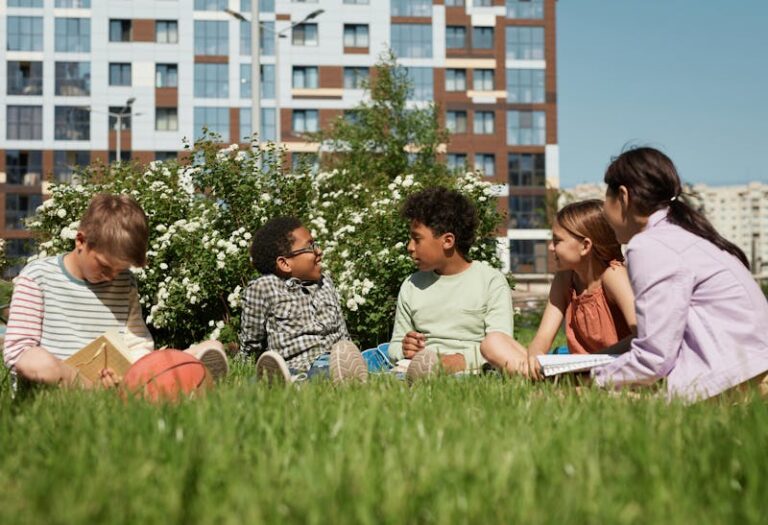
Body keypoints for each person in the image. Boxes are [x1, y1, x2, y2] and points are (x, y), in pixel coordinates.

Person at [592, 147, 768, 402]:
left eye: (604, 199)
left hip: (740, 383)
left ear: (623, 196)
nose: (604, 213)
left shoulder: (650, 246)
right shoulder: (684, 236)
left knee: (584, 397)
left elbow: (653, 360)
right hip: (750, 373)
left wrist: (591, 378)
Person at [3, 193, 228, 389]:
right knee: (42, 364)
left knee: (210, 346)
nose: (111, 276)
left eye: (120, 269)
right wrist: (74, 377)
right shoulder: (38, 277)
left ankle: (190, 372)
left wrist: (133, 371)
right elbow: (17, 351)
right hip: (55, 381)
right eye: (104, 266)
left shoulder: (124, 282)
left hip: (113, 381)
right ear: (81, 241)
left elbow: (137, 343)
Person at [481, 200, 637, 379]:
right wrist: (534, 358)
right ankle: (550, 381)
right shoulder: (565, 278)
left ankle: (557, 384)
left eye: (557, 241)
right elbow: (543, 337)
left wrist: (595, 361)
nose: (550, 247)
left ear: (585, 246)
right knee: (492, 342)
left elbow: (643, 336)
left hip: (615, 365)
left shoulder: (614, 275)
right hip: (578, 367)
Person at [388, 187, 515, 382]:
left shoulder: (490, 282)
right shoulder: (411, 285)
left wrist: (458, 362)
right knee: (379, 361)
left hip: (474, 370)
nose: (410, 247)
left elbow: (503, 346)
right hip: (420, 366)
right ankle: (348, 376)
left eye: (417, 239)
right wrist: (405, 348)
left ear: (448, 241)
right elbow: (395, 345)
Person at [239, 216, 368, 384]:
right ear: (285, 263)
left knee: (372, 360)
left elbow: (343, 336)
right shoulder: (265, 287)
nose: (319, 251)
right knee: (258, 381)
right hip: (295, 366)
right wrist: (245, 365)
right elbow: (251, 342)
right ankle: (275, 380)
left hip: (333, 361)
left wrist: (350, 353)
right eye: (310, 247)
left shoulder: (325, 282)